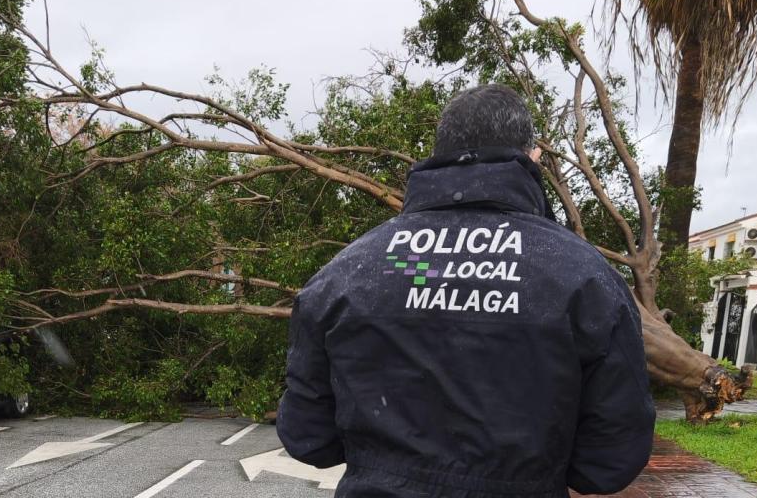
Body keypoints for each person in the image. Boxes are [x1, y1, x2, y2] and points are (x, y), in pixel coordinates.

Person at [276, 84, 655, 497]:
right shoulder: (587, 278)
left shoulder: (344, 275)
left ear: (439, 155)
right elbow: (610, 460)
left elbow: (307, 435)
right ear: (533, 158)